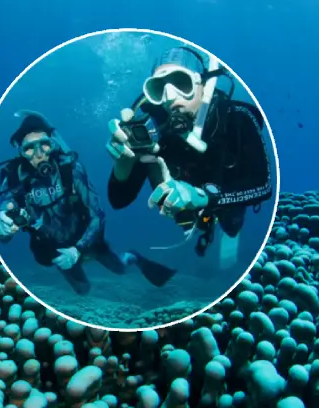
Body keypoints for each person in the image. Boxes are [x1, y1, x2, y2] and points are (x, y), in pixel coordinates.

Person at [105, 45, 272, 257]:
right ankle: (202, 227)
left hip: (226, 197)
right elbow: (118, 201)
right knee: (194, 223)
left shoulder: (237, 118)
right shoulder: (153, 131)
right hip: (183, 209)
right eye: (159, 89)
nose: (170, 97)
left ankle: (221, 229)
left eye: (180, 83)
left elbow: (263, 185)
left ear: (203, 83)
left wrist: (204, 197)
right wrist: (124, 163)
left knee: (231, 225)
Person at [0, 110, 177, 296]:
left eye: (44, 145)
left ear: (52, 145)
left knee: (120, 269)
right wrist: (2, 220)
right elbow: (7, 209)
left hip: (87, 240)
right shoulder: (14, 177)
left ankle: (132, 257)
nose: (38, 155)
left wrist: (77, 250)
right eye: (29, 148)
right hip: (53, 248)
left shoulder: (70, 169)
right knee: (82, 289)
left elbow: (97, 214)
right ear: (21, 151)